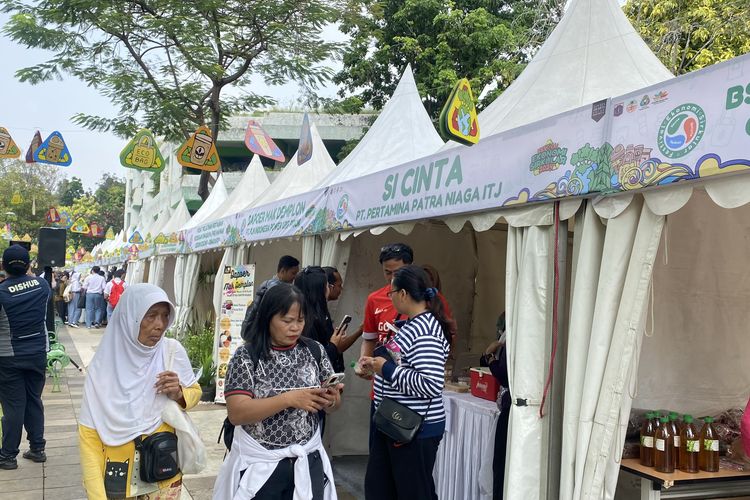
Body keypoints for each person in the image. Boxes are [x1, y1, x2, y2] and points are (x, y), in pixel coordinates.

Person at [213, 283, 342, 500]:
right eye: (287, 321)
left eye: (300, 321)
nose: (295, 328)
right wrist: (289, 399)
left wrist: (332, 400)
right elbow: (237, 413)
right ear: (268, 318)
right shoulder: (247, 356)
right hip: (262, 466)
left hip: (307, 461)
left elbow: (334, 406)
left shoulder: (314, 351)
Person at [78, 283, 201, 498]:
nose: (159, 325)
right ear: (129, 317)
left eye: (165, 316)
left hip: (164, 471)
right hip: (117, 478)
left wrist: (179, 394)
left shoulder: (171, 351)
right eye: (151, 316)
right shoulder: (103, 367)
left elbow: (194, 392)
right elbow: (89, 438)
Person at [359, 265, 451, 499]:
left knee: (412, 492)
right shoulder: (412, 324)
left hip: (414, 428)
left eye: (391, 293)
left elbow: (430, 383)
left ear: (403, 294)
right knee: (382, 487)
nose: (389, 298)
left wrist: (386, 368)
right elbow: (404, 364)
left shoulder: (426, 330)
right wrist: (377, 365)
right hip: (395, 422)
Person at [0, 245, 52, 470]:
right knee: (33, 400)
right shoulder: (42, 286)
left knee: (13, 406)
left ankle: (8, 456)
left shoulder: (1, 292)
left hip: (8, 357)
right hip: (38, 353)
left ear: (3, 266)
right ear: (29, 265)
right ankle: (37, 448)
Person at [480, 312, 510, 499]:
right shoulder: (504, 340)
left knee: (500, 463)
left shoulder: (510, 340)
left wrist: (490, 357)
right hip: (509, 404)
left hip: (510, 407)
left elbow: (503, 374)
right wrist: (487, 355)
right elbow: (482, 363)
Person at [294, 266, 345, 374]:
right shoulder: (308, 320)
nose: (329, 288)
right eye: (327, 285)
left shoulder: (315, 311)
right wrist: (333, 344)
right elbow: (312, 360)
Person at [241, 255, 300, 340]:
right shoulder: (276, 289)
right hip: (266, 337)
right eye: (293, 273)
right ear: (283, 271)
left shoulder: (267, 284)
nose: (295, 277)